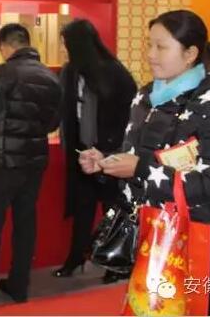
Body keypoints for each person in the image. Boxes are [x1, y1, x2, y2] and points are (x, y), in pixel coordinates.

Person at [80, 10, 210, 316]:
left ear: (190, 54)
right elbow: (142, 156)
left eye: (161, 47)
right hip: (152, 238)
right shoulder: (146, 98)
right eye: (149, 45)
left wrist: (140, 169)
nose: (151, 55)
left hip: (196, 242)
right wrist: (107, 162)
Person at [0, 24, 62, 303]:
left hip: (1, 161)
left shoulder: (2, 74)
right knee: (25, 223)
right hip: (34, 161)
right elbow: (53, 123)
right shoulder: (51, 79)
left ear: (5, 46)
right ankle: (19, 284)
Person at [53, 19, 137, 282]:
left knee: (112, 209)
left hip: (110, 151)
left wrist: (109, 148)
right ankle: (76, 256)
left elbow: (128, 113)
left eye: (67, 44)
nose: (65, 49)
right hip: (80, 153)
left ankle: (115, 264)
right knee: (82, 208)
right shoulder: (70, 72)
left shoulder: (113, 72)